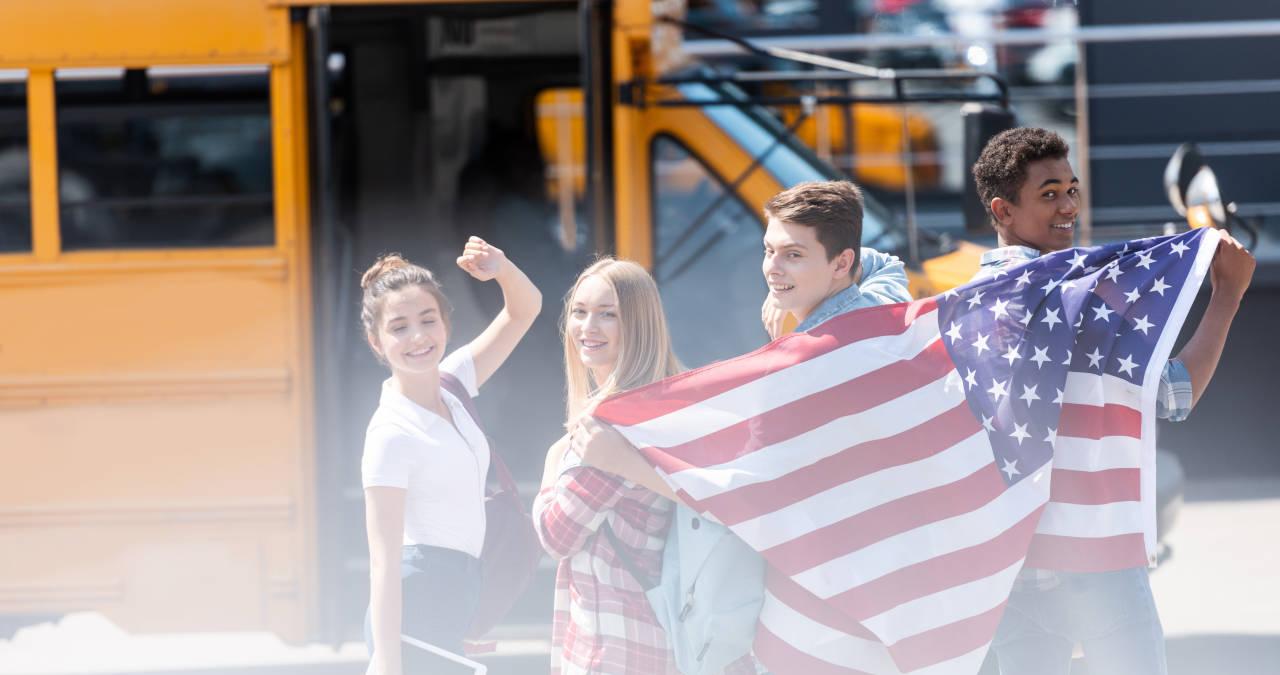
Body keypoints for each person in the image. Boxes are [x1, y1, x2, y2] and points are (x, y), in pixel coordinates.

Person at [570, 180, 915, 672]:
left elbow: (740, 502)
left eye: (793, 255)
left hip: (819, 621)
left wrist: (619, 461)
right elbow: (885, 265)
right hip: (880, 597)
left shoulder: (797, 373)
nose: (773, 269)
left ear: (842, 263)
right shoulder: (878, 307)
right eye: (769, 250)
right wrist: (803, 300)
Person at [970, 126, 1254, 675]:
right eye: (1048, 193)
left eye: (1072, 189)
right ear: (1002, 210)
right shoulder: (1080, 300)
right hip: (1093, 558)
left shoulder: (965, 302)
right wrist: (1227, 296)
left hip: (1011, 569)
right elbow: (1175, 394)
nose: (1068, 206)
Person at [360, 237, 541, 675]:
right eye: (399, 327)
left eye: (428, 320)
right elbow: (383, 561)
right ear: (376, 342)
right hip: (419, 598)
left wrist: (501, 267)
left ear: (445, 322)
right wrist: (387, 664)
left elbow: (525, 309)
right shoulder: (390, 433)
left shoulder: (455, 382)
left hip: (458, 589)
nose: (418, 337)